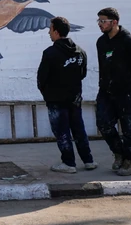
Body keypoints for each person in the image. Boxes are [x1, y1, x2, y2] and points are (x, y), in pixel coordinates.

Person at [37, 16, 96, 174]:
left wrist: (47, 93)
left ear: (56, 32)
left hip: (56, 100)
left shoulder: (50, 53)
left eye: (50, 29)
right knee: (79, 129)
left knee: (62, 131)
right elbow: (82, 74)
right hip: (75, 98)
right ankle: (88, 160)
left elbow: (42, 78)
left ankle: (69, 163)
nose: (49, 33)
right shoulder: (80, 52)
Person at [95, 7, 131, 177]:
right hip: (106, 91)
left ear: (114, 22)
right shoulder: (101, 42)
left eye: (103, 21)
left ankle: (130, 161)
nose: (100, 24)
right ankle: (119, 153)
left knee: (129, 128)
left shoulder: (129, 41)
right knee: (103, 123)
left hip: (127, 91)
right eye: (99, 21)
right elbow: (102, 66)